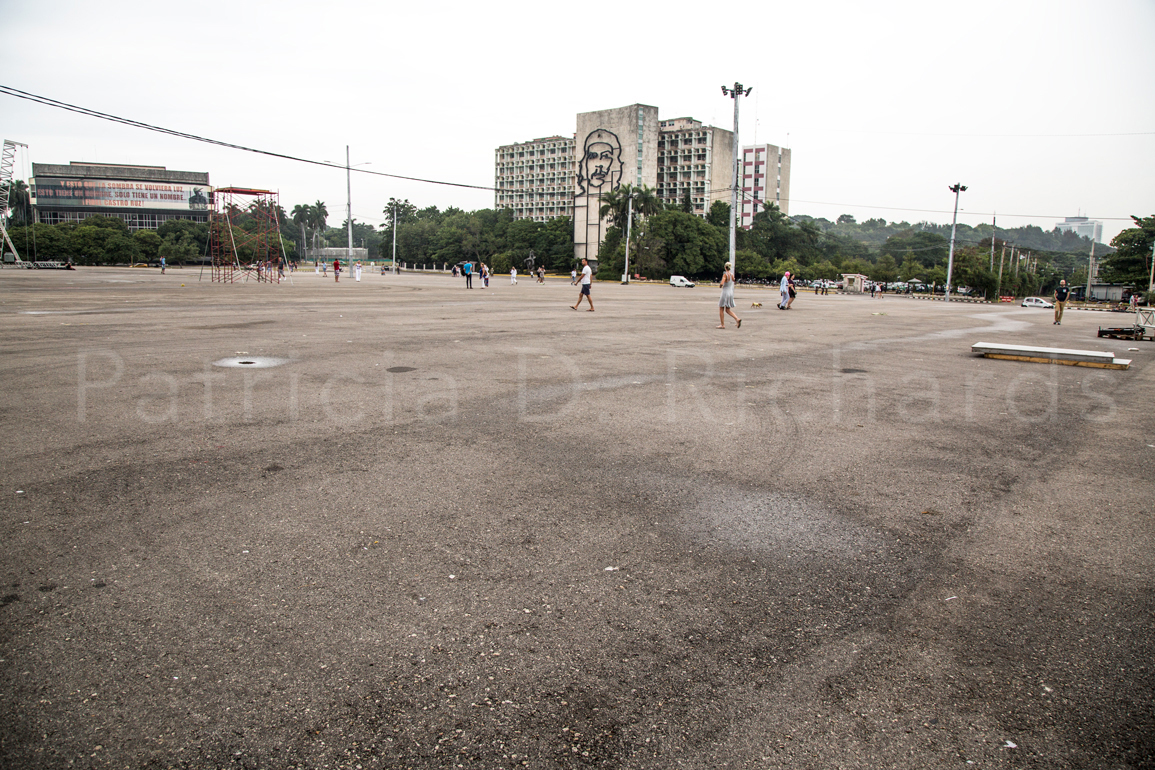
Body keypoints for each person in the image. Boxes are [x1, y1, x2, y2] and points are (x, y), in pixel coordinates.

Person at [717, 261, 742, 329]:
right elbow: (734, 280)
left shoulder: (725, 274)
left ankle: (722, 324)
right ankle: (737, 319)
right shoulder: (731, 275)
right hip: (730, 292)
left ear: (725, 267)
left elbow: (722, 283)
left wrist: (720, 285)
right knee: (728, 310)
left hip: (725, 292)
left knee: (721, 308)